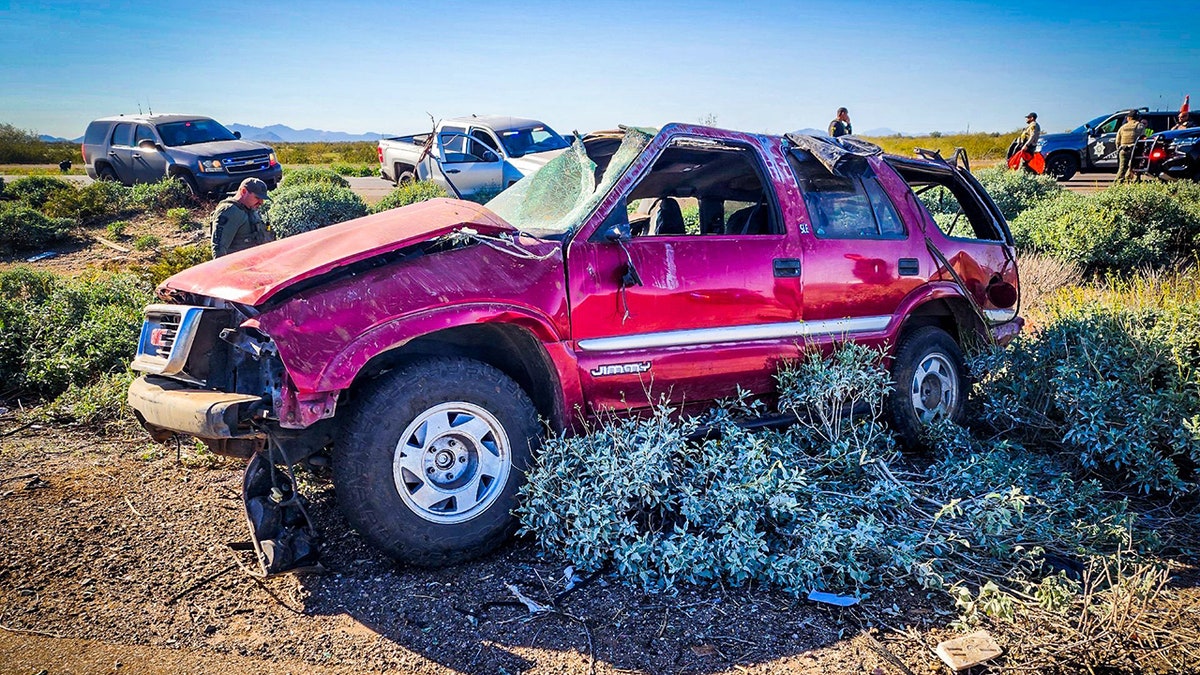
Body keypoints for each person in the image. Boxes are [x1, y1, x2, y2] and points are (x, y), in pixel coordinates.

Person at [211, 177, 271, 257]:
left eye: (262, 199)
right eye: (257, 197)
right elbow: (218, 248)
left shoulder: (251, 208)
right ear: (243, 191)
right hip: (239, 266)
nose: (261, 202)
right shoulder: (230, 211)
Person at [1114, 112, 1146, 183]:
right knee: (1135, 169)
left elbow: (1117, 141)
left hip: (1123, 150)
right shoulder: (1140, 126)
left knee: (1122, 169)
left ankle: (1117, 184)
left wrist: (1119, 149)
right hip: (1135, 150)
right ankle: (1134, 183)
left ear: (1128, 118)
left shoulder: (1122, 127)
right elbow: (1142, 138)